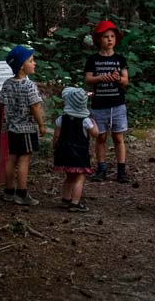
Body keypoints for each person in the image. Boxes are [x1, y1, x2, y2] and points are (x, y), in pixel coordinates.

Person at [0, 44, 46, 206]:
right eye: (31, 61)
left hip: (12, 128)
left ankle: (9, 191)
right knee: (24, 159)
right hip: (26, 129)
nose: (34, 64)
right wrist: (41, 125)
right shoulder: (29, 85)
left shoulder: (7, 84)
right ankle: (22, 193)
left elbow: (1, 102)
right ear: (21, 66)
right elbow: (34, 107)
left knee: (11, 158)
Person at [85, 20, 130, 183]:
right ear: (99, 39)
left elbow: (126, 80)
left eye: (112, 36)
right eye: (105, 36)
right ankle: (101, 168)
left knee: (118, 137)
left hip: (117, 104)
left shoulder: (120, 59)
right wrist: (100, 78)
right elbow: (88, 79)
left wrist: (119, 79)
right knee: (101, 138)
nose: (109, 40)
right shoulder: (93, 60)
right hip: (99, 105)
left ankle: (121, 170)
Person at [53, 86, 99, 212]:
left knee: (69, 177)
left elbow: (56, 135)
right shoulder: (86, 121)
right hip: (79, 154)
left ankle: (65, 199)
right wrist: (94, 124)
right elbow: (95, 133)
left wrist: (55, 147)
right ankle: (75, 202)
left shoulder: (61, 119)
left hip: (64, 152)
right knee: (80, 177)